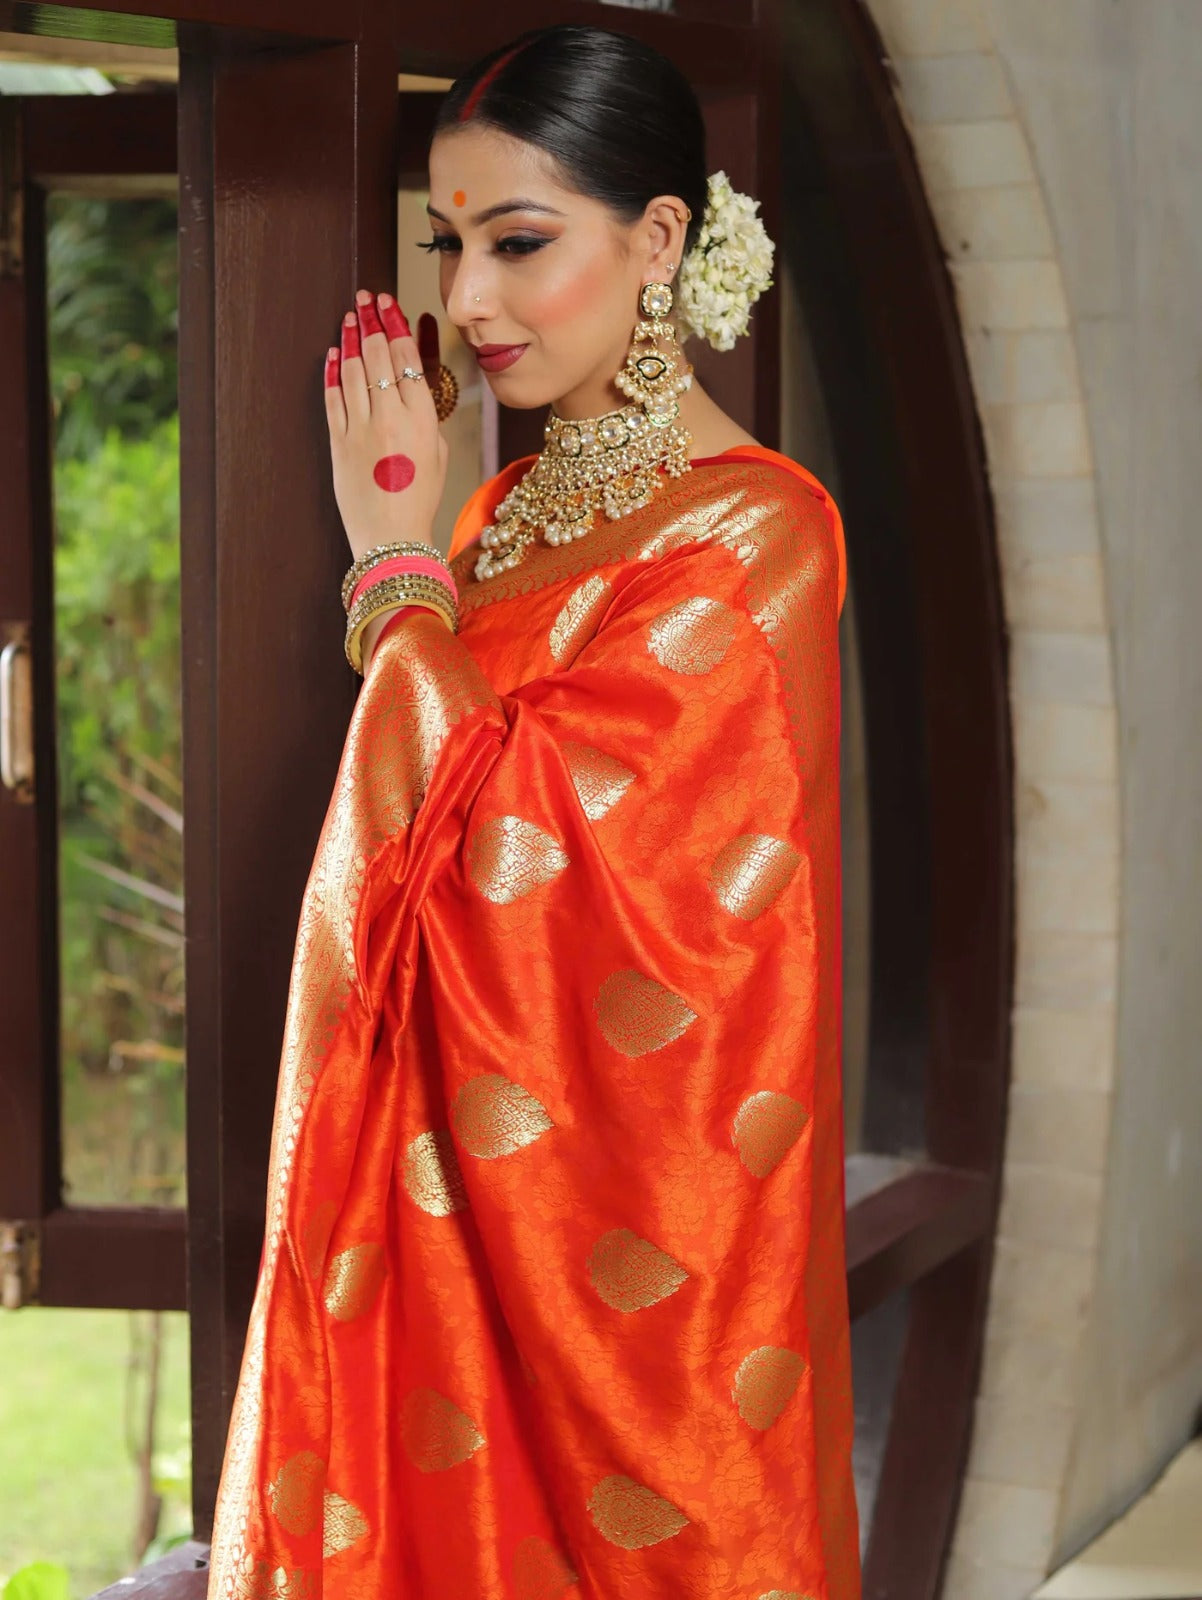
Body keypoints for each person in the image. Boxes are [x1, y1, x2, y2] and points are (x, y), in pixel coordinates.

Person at [207, 23, 857, 1600]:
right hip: (439, 1224)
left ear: (657, 240)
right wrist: (422, 545)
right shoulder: (495, 513)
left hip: (616, 1273)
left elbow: (535, 855)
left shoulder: (756, 535)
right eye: (448, 246)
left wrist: (390, 558)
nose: (471, 302)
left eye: (518, 242)